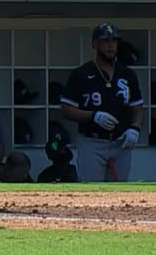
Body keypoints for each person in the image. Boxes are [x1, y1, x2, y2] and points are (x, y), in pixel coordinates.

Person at [60, 23, 144, 182]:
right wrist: (93, 116)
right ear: (95, 43)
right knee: (91, 190)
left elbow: (138, 109)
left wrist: (135, 128)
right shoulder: (81, 74)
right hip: (93, 142)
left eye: (114, 41)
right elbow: (66, 109)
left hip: (121, 142)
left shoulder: (127, 74)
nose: (110, 46)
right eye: (105, 41)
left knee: (119, 192)